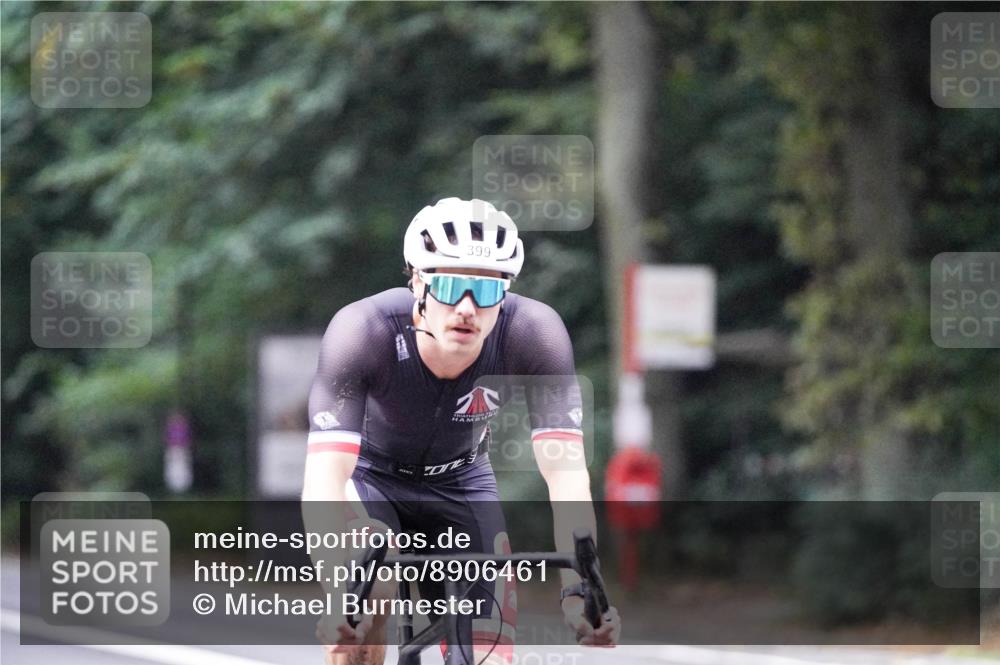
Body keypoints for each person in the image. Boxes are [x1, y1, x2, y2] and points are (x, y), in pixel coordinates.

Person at [302, 198, 620, 665]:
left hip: (461, 481)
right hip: (370, 479)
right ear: (418, 283)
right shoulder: (363, 330)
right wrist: (338, 594)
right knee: (368, 592)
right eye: (451, 286)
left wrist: (580, 594)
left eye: (487, 290)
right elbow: (325, 478)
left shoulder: (534, 333)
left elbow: (567, 476)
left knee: (489, 653)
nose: (468, 308)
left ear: (505, 294)